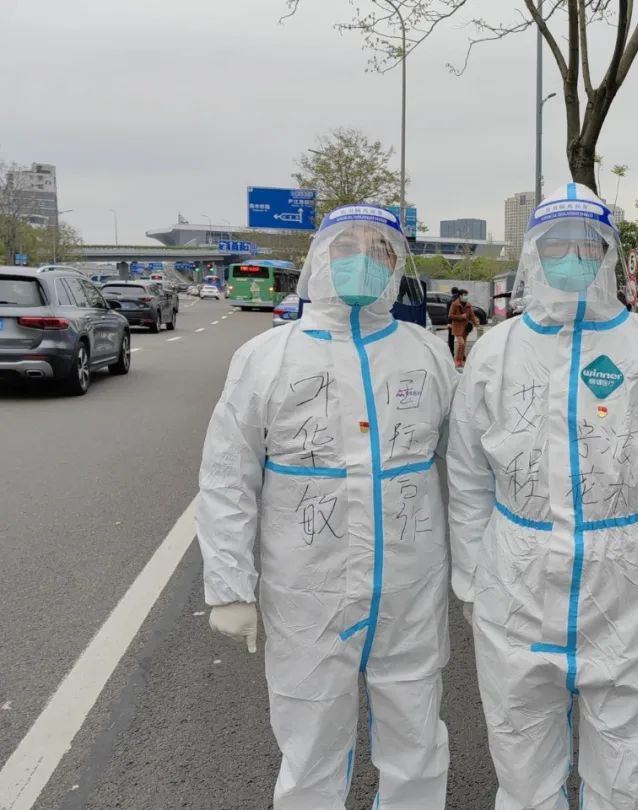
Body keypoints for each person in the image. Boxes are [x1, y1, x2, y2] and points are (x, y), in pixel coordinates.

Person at [448, 183, 638, 809]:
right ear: (534, 254)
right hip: (517, 573)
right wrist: (472, 580)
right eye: (555, 245)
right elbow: (468, 476)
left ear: (607, 254)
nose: (570, 257)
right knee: (521, 749)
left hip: (627, 573)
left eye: (584, 245)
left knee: (629, 755)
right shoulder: (496, 350)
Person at [197, 203, 458, 810]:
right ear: (320, 258)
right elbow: (228, 476)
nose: (362, 260)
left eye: (378, 250)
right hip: (306, 590)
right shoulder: (268, 357)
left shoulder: (426, 354)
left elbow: (469, 469)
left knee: (416, 734)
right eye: (347, 247)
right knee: (310, 737)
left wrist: (479, 568)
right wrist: (230, 586)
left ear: (395, 265)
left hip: (409, 587)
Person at [448, 286, 479, 368]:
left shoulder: (468, 305)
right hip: (457, 327)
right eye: (464, 295)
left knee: (463, 345)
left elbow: (472, 316)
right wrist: (461, 316)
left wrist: (476, 323)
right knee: (461, 343)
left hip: (465, 328)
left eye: (466, 295)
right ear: (460, 296)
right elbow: (450, 316)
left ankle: (461, 361)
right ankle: (457, 360)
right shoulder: (454, 304)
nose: (466, 296)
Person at [448, 287, 461, 356]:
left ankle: (451, 353)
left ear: (452, 292)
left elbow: (448, 314)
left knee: (451, 339)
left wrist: (449, 323)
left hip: (452, 322)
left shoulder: (449, 301)